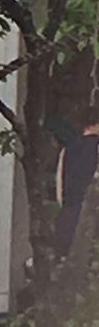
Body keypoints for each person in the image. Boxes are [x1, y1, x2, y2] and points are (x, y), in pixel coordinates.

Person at [57, 104, 99, 261]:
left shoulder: (68, 149)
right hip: (91, 214)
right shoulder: (96, 148)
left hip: (69, 213)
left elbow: (60, 190)